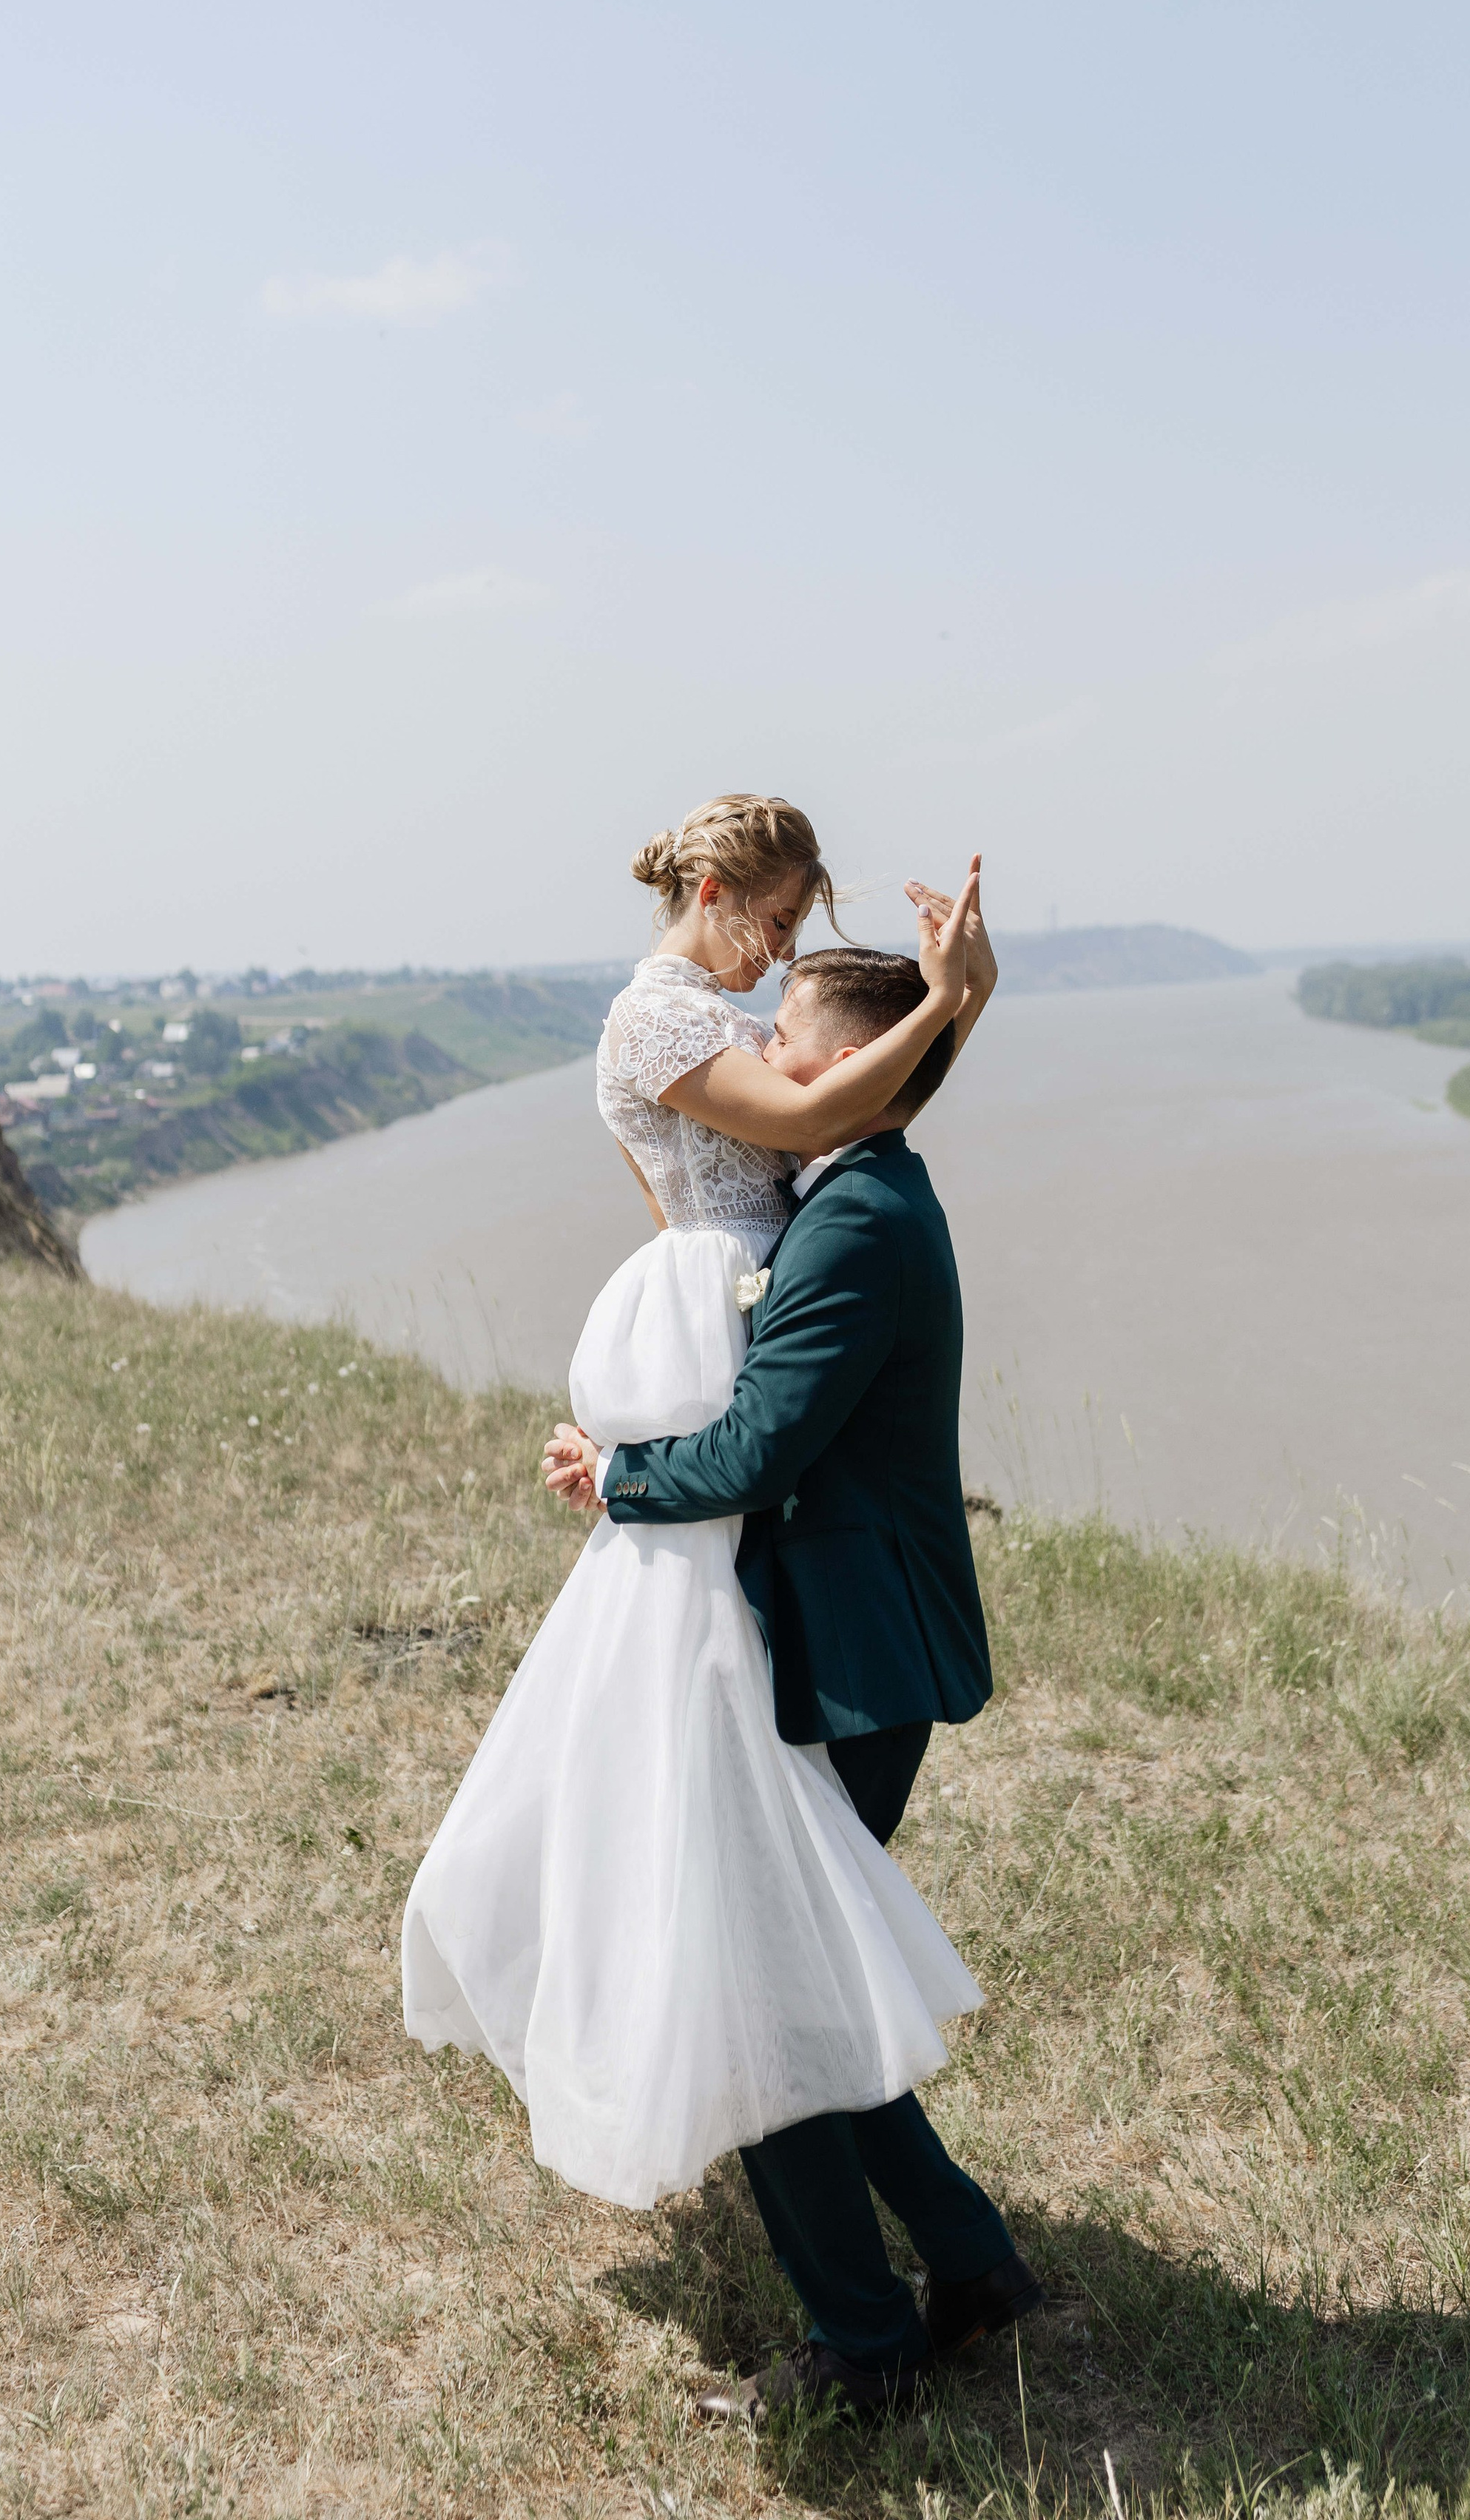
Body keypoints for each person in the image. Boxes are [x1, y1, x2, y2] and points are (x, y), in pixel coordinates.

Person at [401, 797, 985, 2223]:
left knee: (759, 1905)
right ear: (712, 888)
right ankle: (926, 2253)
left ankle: (910, 2261)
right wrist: (950, 1006)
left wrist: (956, 1009)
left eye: (795, 937)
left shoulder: (794, 1100)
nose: (780, 953)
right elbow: (812, 1108)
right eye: (776, 922)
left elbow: (848, 1090)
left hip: (753, 1323)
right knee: (746, 1880)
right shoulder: (662, 1019)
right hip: (729, 1307)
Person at [544, 934, 1043, 2425]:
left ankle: (861, 2348)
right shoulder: (846, 1199)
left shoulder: (851, 1227)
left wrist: (615, 1475)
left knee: (757, 2001)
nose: (755, 1050)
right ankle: (968, 2268)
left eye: (779, 1033)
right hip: (841, 1631)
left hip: (853, 1650)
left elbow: (763, 1448)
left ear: (826, 1067)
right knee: (808, 1977)